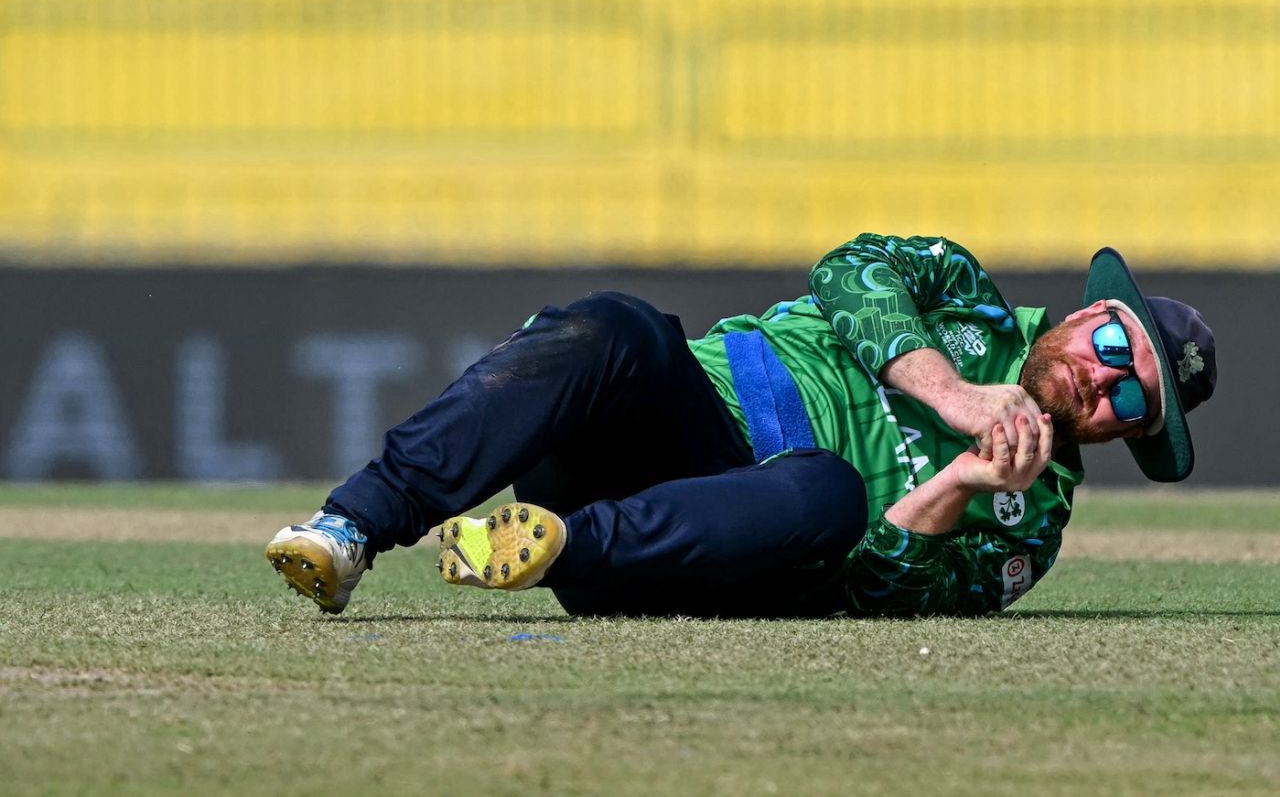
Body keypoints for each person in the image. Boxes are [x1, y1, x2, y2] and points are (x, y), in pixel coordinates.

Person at [266, 234, 1216, 618]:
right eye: (1111, 340)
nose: (1102, 378)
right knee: (618, 324)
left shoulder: (1030, 525)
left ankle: (548, 546)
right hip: (673, 417)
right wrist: (953, 393)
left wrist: (957, 485)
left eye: (1129, 399)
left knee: (830, 492)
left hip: (686, 547)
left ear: (1120, 435)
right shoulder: (961, 290)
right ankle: (350, 528)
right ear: (1085, 313)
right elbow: (850, 272)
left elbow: (867, 597)